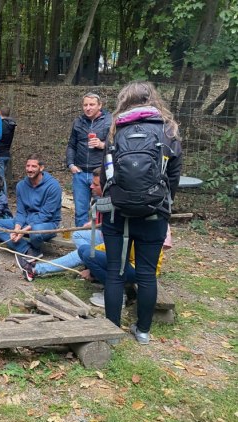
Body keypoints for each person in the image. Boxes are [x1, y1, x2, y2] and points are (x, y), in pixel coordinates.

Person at [100, 81, 182, 345]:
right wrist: (162, 201)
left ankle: (111, 332)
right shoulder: (168, 129)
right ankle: (143, 331)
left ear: (124, 100)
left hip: (117, 212)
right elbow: (174, 176)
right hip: (154, 213)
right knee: (147, 273)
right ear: (153, 99)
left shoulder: (114, 129)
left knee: (115, 271)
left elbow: (105, 175)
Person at [18, 168, 104, 281]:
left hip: (114, 245)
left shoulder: (115, 202)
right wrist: (93, 223)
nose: (91, 186)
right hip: (103, 236)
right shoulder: (103, 199)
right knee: (78, 235)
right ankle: (90, 261)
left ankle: (35, 269)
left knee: (83, 252)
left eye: (95, 184)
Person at [0, 154, 62, 273]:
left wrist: (25, 230)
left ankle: (32, 249)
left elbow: (46, 215)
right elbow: (21, 211)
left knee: (36, 231)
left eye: (33, 166)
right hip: (26, 221)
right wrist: (17, 227)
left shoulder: (53, 186)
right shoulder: (21, 185)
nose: (29, 169)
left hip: (47, 223)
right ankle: (29, 250)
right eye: (28, 166)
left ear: (41, 168)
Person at [78, 227, 172, 307]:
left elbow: (119, 254)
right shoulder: (124, 228)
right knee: (83, 249)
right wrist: (90, 268)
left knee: (88, 255)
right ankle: (110, 287)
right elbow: (104, 248)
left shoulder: (135, 230)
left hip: (142, 270)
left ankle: (116, 294)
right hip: (129, 263)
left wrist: (90, 270)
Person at [66, 92, 112, 227]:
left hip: (99, 173)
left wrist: (102, 145)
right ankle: (81, 240)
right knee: (80, 211)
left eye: (92, 105)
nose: (88, 108)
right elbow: (71, 145)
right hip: (79, 173)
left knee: (101, 208)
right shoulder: (78, 122)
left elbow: (116, 146)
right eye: (85, 105)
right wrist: (70, 164)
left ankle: (99, 240)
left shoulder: (109, 121)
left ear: (100, 105)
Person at [0, 107, 17, 194]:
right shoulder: (10, 124)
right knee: (1, 176)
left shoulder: (1, 124)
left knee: (0, 177)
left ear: (0, 112)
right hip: (6, 154)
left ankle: (3, 196)